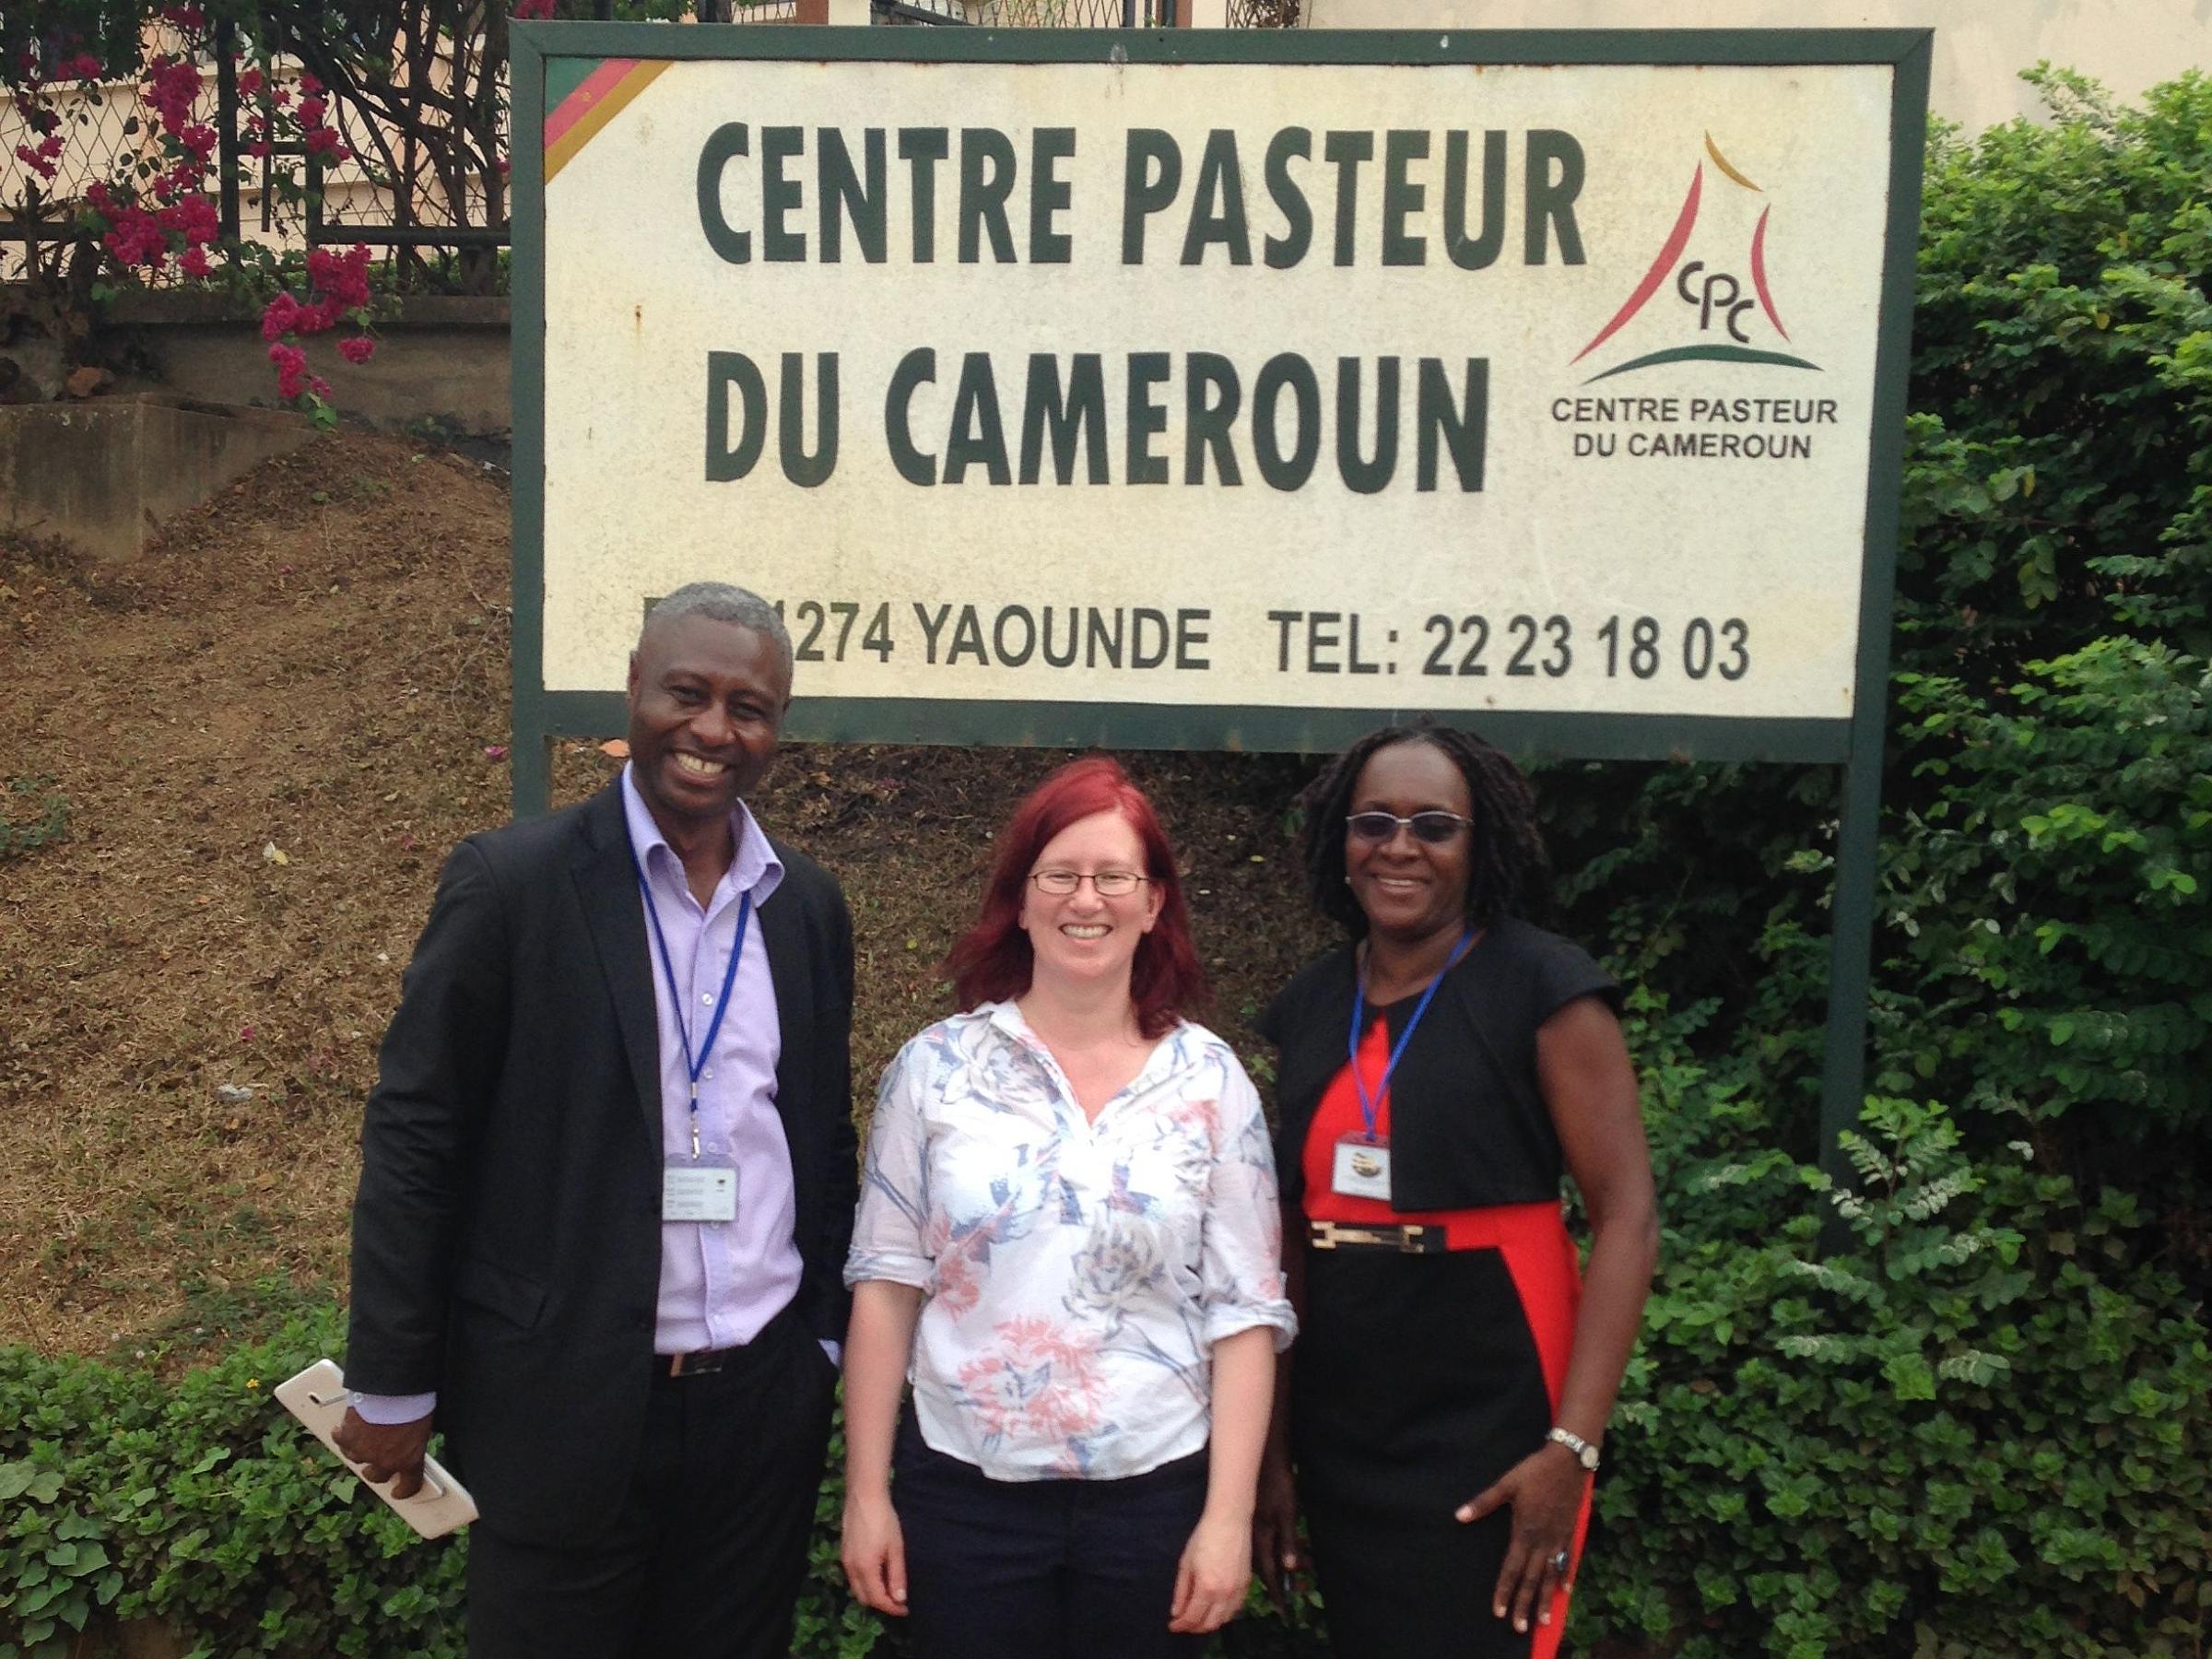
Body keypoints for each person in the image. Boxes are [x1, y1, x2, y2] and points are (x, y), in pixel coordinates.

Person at [332, 582, 855, 1659]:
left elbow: (816, 1132)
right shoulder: (511, 886)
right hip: (562, 1402)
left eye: (749, 707)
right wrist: (393, 1373)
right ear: (633, 690)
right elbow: (418, 1138)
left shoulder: (803, 904)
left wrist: (826, 1344)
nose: (715, 730)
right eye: (688, 693)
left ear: (778, 725)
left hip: (757, 1407)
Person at [839, 756, 1296, 1659]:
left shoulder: (1210, 1083)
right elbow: (886, 1285)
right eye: (1060, 874)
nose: (1086, 900)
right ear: (1020, 897)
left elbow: (1244, 1313)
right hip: (967, 1499)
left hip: (1155, 1502)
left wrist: (1227, 1518)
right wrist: (866, 1495)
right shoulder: (936, 1070)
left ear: (1155, 900)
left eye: (1113, 876)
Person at [1253, 723, 1658, 1659]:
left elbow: (1627, 1219)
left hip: (1495, 1403)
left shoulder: (1547, 990)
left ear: (1482, 845)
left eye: (1435, 825)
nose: (1400, 847)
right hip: (1343, 1410)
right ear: (1337, 839)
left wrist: (1573, 1449)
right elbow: (1281, 1238)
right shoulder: (1311, 1005)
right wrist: (1272, 1455)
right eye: (1375, 822)